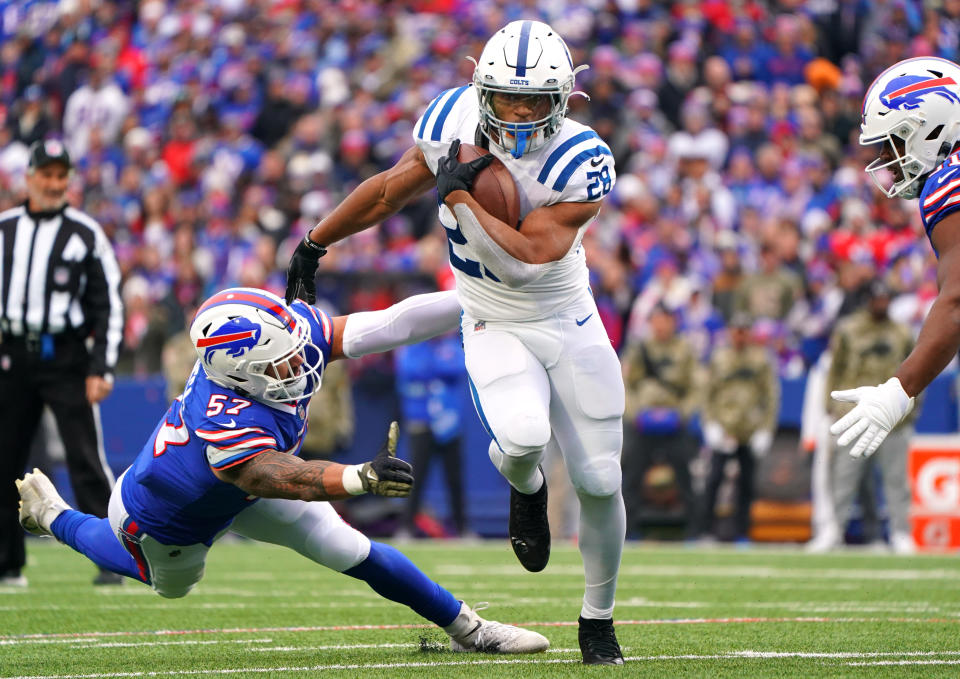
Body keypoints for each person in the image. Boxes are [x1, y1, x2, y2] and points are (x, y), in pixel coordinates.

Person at [285, 20, 625, 665]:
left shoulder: (583, 158)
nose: (520, 113)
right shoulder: (450, 124)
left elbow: (527, 259)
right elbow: (388, 191)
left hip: (564, 314)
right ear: (480, 90)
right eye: (506, 98)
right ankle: (524, 486)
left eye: (534, 100)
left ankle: (597, 620)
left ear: (563, 99)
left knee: (601, 479)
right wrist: (316, 239)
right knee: (523, 440)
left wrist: (463, 198)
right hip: (488, 315)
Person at [17, 287, 548, 655]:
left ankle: (468, 628)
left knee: (353, 550)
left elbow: (391, 324)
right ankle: (56, 516)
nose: (301, 365)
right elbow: (274, 476)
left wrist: (479, 300)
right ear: (239, 375)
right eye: (281, 364)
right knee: (168, 586)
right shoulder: (223, 418)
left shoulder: (284, 339)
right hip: (164, 518)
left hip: (242, 488)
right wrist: (359, 477)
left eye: (295, 352)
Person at [1, 140, 123, 587]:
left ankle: (113, 559)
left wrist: (101, 366)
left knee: (85, 460)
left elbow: (108, 304)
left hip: (67, 356)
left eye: (60, 175)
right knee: (4, 458)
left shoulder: (85, 233)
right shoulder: (5, 228)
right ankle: (6, 563)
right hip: (11, 354)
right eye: (46, 175)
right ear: (30, 176)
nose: (54, 184)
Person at [830, 57, 960, 465]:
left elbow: (957, 301)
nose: (889, 157)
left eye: (896, 140)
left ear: (933, 126)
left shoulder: (948, 181)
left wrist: (899, 390)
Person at [810, 281, 917, 553]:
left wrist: (910, 410)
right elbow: (834, 369)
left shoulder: (901, 332)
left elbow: (916, 373)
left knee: (896, 478)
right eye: (876, 299)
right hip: (856, 414)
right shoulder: (849, 330)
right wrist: (830, 406)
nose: (881, 303)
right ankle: (833, 529)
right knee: (843, 476)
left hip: (894, 417)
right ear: (868, 300)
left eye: (885, 299)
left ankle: (900, 533)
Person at [693, 313, 779, 542]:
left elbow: (770, 396)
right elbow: (707, 394)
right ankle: (705, 531)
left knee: (747, 483)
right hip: (724, 427)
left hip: (749, 430)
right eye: (736, 330)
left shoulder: (761, 359)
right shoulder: (719, 357)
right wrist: (710, 423)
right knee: (714, 480)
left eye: (744, 330)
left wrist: (766, 429)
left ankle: (743, 532)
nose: (740, 335)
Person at [620, 303, 700, 537]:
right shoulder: (639, 349)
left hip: (674, 423)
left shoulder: (684, 349)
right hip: (642, 423)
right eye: (657, 320)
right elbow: (626, 385)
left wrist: (682, 414)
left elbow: (696, 386)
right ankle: (627, 530)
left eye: (666, 319)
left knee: (686, 474)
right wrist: (635, 414)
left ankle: (694, 529)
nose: (661, 325)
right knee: (631, 474)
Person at [394, 331, 469, 537]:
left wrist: (431, 370)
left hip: (449, 422)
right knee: (416, 477)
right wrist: (437, 367)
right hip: (421, 421)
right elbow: (408, 370)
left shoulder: (450, 344)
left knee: (454, 478)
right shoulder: (413, 346)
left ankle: (463, 529)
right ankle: (405, 528)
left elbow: (459, 367)